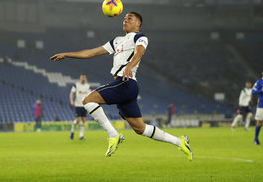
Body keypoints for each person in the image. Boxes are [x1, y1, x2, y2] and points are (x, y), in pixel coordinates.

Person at [50, 12, 192, 160]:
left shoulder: (140, 37)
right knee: (140, 129)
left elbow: (139, 52)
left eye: (129, 18)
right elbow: (90, 53)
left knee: (87, 100)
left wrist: (130, 66)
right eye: (124, 19)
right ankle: (180, 141)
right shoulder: (116, 41)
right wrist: (67, 54)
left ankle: (113, 135)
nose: (125, 20)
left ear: (138, 24)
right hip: (126, 86)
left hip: (125, 82)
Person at [69, 73, 91, 140]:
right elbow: (72, 93)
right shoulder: (76, 85)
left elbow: (89, 95)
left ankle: (81, 136)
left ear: (86, 78)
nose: (83, 78)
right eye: (82, 77)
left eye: (84, 77)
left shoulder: (88, 86)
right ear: (80, 78)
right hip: (78, 105)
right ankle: (72, 131)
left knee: (83, 120)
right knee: (78, 120)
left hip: (84, 106)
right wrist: (71, 101)